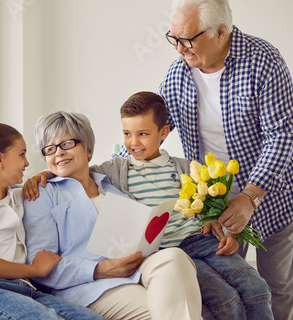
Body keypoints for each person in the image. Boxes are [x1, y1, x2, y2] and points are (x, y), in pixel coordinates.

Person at [127, 1, 292, 319]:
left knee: (277, 287)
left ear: (221, 31)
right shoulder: (178, 75)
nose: (179, 49)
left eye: (188, 39)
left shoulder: (263, 62)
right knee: (230, 288)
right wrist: (89, 173)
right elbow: (150, 132)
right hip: (213, 206)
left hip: (272, 196)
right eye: (173, 38)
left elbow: (283, 136)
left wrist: (249, 198)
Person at [95, 92, 271, 319]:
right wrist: (44, 174)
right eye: (127, 134)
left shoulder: (186, 167)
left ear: (163, 133)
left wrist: (229, 234)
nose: (133, 142)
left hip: (203, 242)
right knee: (226, 299)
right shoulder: (115, 169)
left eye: (143, 134)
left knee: (258, 289)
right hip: (169, 253)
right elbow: (78, 172)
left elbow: (212, 211)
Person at [23, 111, 203, 320]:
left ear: (88, 149)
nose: (59, 153)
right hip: (92, 287)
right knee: (160, 312)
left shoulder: (112, 186)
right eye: (50, 149)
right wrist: (98, 270)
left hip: (137, 268)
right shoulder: (41, 195)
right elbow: (40, 265)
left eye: (67, 144)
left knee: (174, 257)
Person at [0, 122, 104, 320]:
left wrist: (44, 173)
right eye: (22, 154)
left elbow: (50, 178)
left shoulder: (17, 196)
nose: (27, 163)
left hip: (21, 288)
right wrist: (34, 270)